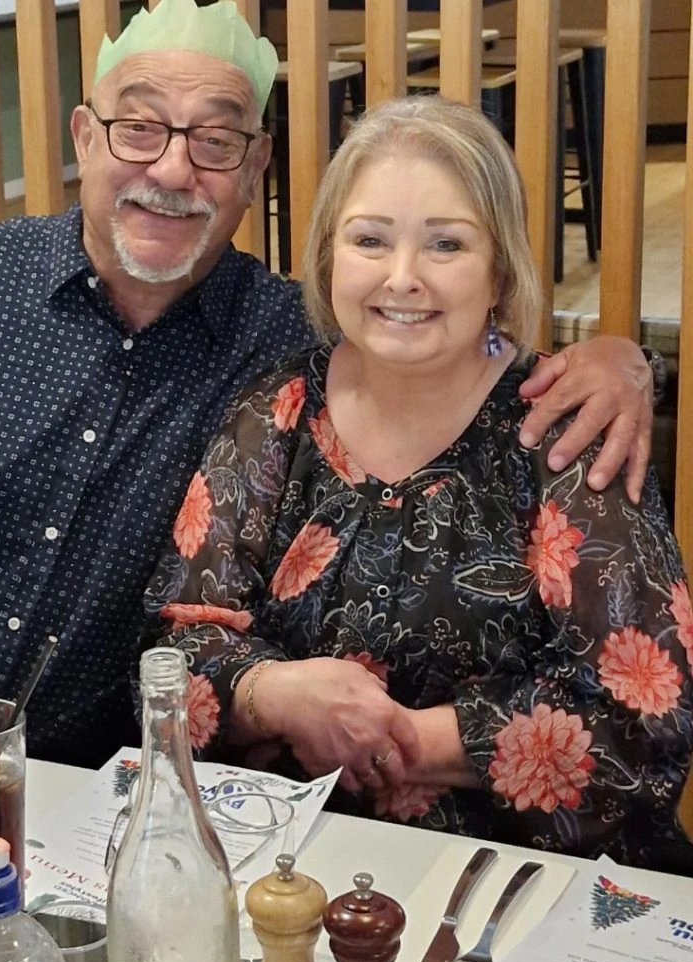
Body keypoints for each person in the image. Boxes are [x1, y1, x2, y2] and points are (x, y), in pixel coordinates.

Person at [0, 0, 658, 769]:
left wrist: (619, 360)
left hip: (80, 803)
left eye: (214, 139)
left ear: (255, 166)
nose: (172, 169)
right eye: (139, 128)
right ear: (84, 137)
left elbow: (441, 339)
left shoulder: (293, 350)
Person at [144, 94, 693, 872]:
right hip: (290, 868)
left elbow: (644, 725)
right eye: (370, 240)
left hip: (521, 883)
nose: (402, 279)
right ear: (330, 258)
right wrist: (273, 694)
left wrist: (393, 737)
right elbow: (174, 638)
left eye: (446, 245)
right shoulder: (276, 410)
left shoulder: (566, 425)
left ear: (500, 268)